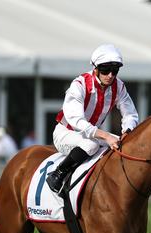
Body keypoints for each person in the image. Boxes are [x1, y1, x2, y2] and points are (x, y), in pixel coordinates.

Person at [47, 44, 139, 193]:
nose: (110, 75)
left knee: (126, 146)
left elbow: (130, 114)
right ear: (95, 68)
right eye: (105, 70)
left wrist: (127, 131)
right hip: (66, 133)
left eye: (114, 71)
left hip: (92, 135)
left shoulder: (119, 86)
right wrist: (106, 136)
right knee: (91, 145)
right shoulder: (79, 85)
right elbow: (77, 121)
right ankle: (58, 174)